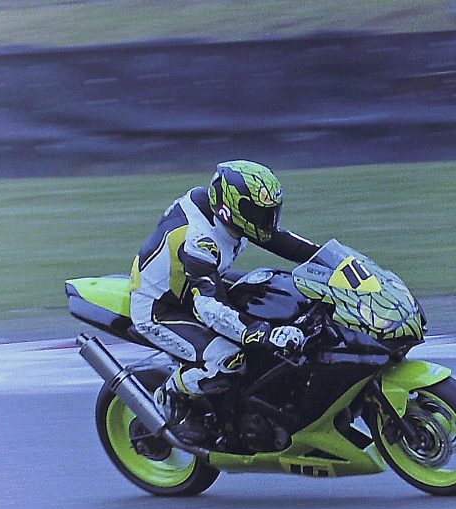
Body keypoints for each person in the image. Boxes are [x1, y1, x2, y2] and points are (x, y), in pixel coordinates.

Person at [129, 160, 319, 434]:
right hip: (163, 307)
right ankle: (170, 396)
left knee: (275, 288)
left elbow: (283, 241)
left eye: (270, 213)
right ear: (230, 209)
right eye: (258, 213)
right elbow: (207, 307)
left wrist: (336, 261)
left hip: (197, 283)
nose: (268, 221)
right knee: (229, 360)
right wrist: (259, 334)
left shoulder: (230, 218)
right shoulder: (200, 239)